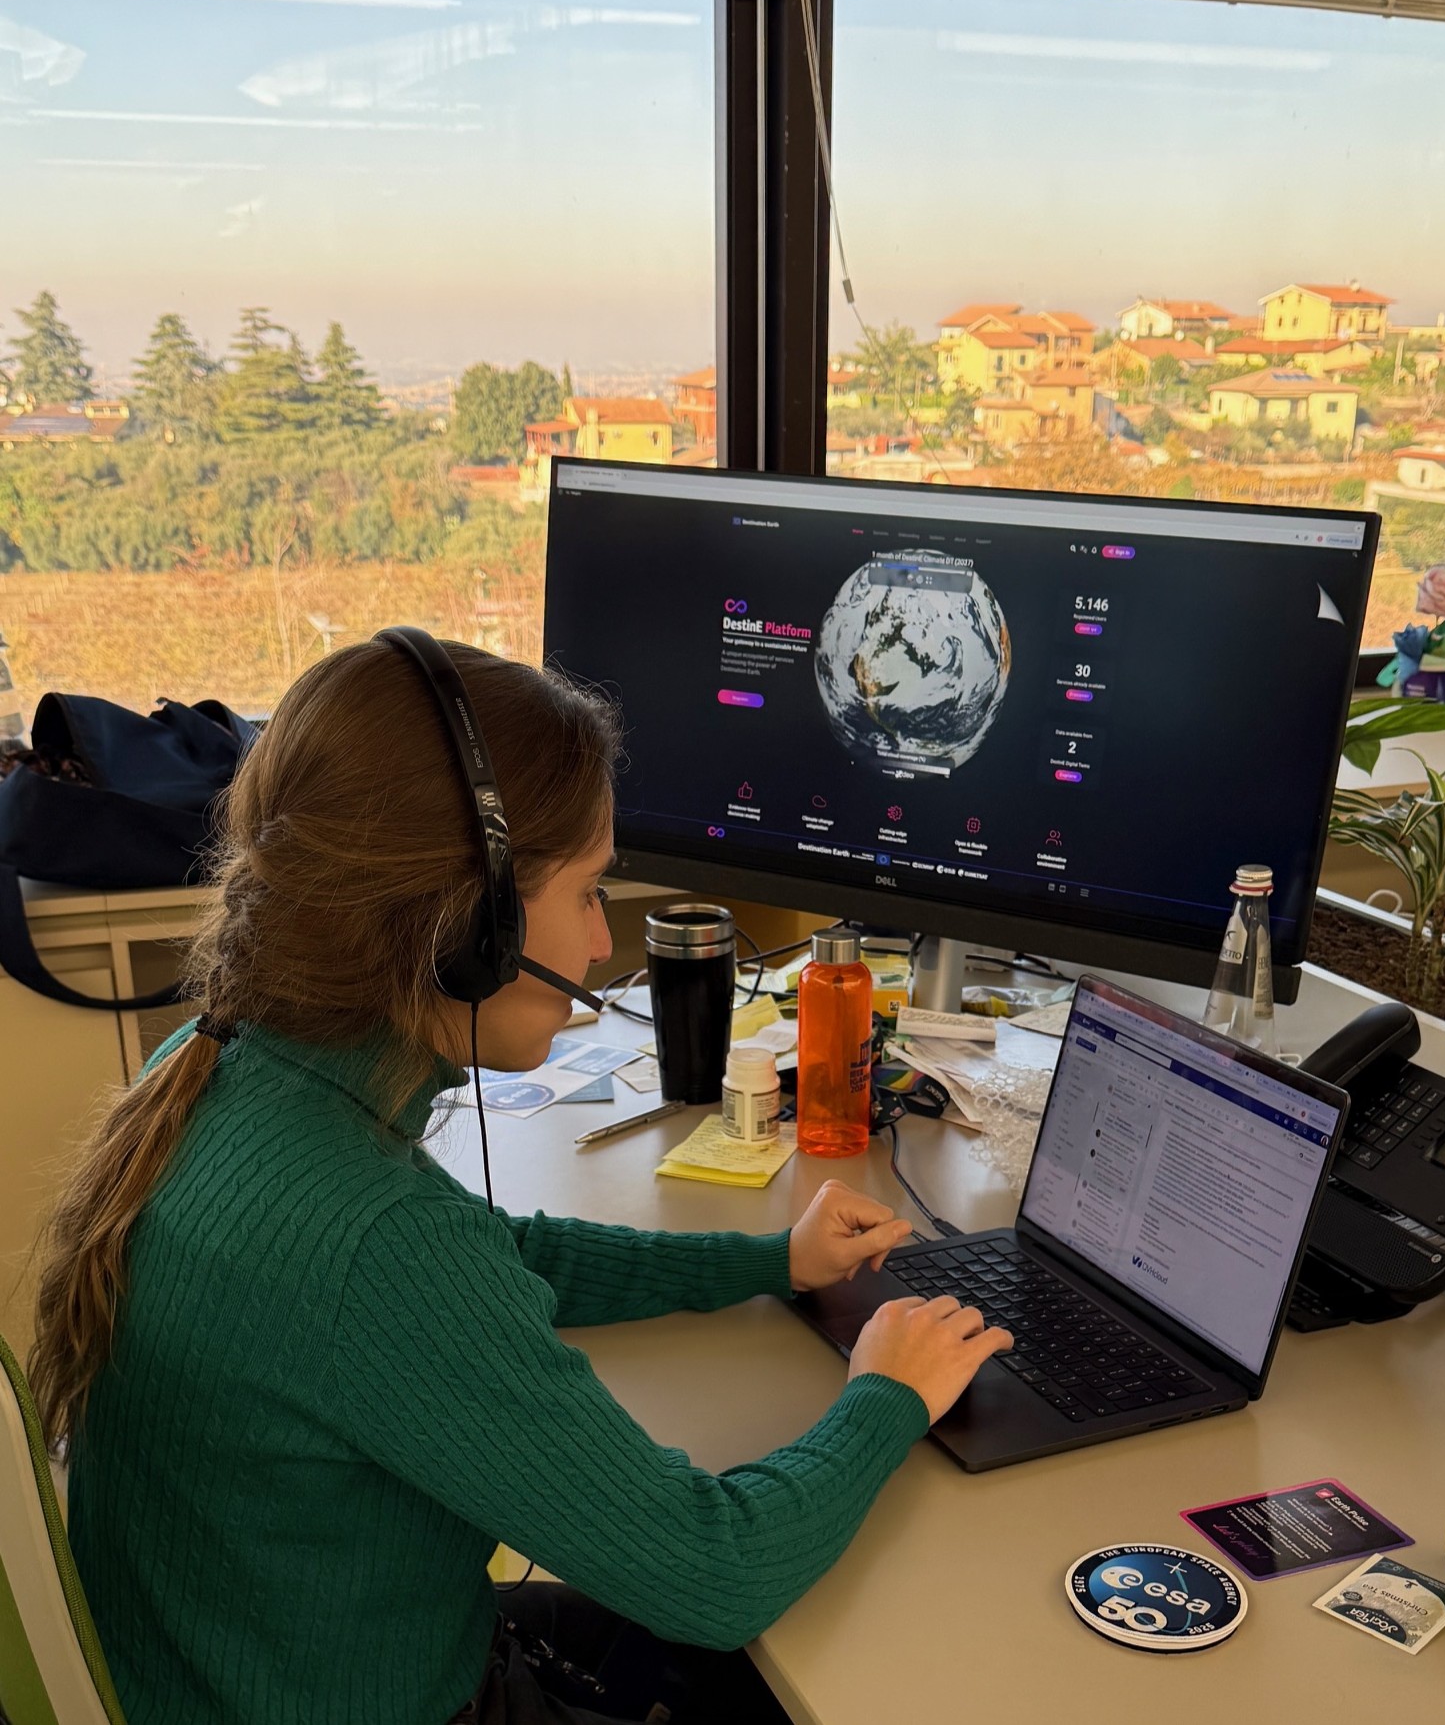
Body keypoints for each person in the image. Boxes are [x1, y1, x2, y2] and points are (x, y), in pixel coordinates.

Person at [27, 638, 1012, 1725]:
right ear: (469, 925)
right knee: (802, 1661)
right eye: (588, 894)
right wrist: (889, 1393)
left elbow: (490, 1258)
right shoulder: (375, 1245)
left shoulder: (225, 1065)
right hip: (389, 1699)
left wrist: (767, 1259)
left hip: (259, 1670)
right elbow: (714, 1574)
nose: (599, 942)